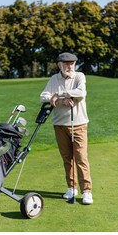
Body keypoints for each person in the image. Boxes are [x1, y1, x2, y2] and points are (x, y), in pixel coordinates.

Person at [40, 52, 93, 205]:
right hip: (59, 125)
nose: (70, 66)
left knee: (81, 158)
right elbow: (42, 96)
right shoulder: (54, 79)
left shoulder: (79, 76)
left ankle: (86, 191)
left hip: (79, 124)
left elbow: (81, 93)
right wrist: (61, 101)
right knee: (67, 159)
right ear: (59, 65)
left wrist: (59, 94)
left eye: (72, 63)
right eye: (66, 63)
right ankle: (71, 188)